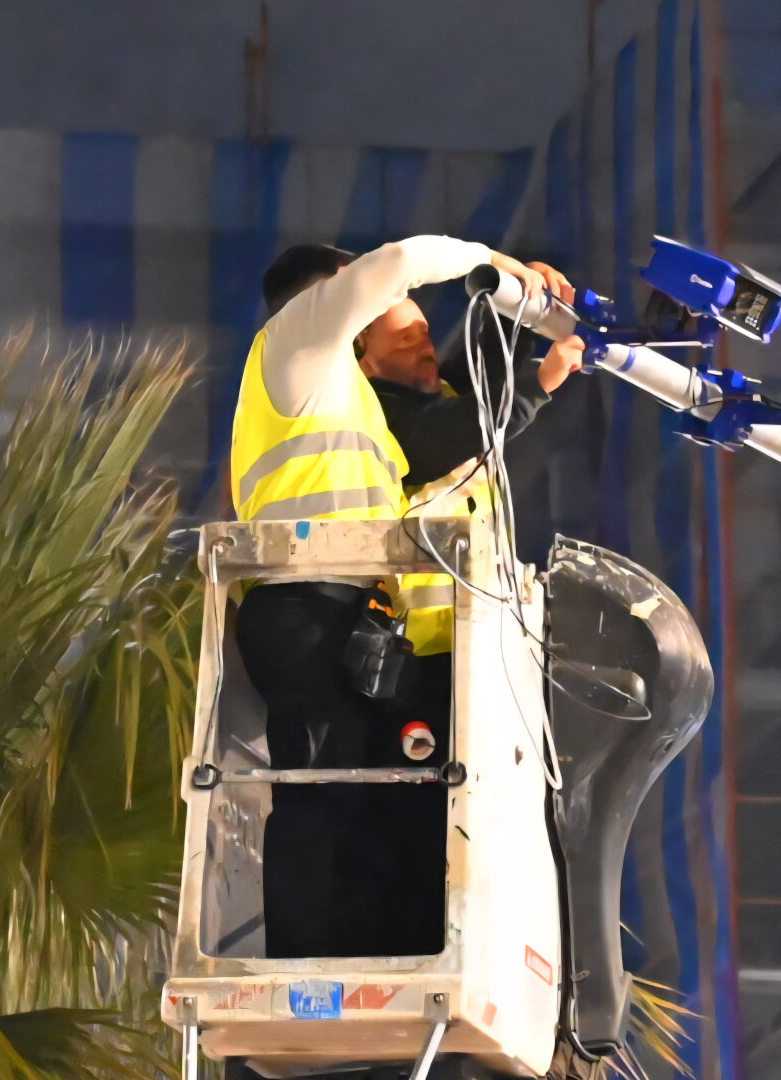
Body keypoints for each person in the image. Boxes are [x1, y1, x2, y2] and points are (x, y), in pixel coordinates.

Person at [228, 236, 561, 961]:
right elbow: (400, 263)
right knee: (322, 796)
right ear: (325, 292)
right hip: (304, 601)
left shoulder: (346, 396)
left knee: (364, 800)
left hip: (346, 610)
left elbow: (456, 413)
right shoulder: (295, 345)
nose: (384, 297)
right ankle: (308, 973)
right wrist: (496, 264)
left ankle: (367, 961)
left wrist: (514, 323)